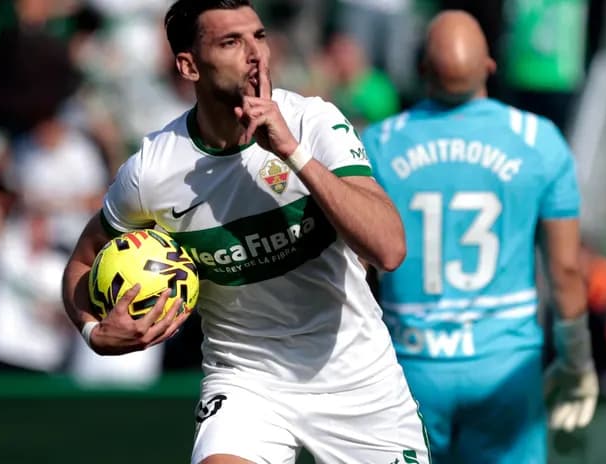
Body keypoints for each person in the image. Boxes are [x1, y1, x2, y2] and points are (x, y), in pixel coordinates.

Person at [60, 1, 430, 463]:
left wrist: (293, 153)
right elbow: (82, 261)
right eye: (231, 42)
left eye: (259, 36)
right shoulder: (152, 170)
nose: (255, 54)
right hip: (246, 381)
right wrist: (93, 332)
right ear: (189, 66)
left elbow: (389, 249)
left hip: (357, 380)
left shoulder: (313, 123)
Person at [362, 10, 598, 463]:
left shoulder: (378, 143)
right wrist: (576, 360)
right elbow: (566, 271)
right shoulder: (538, 140)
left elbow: (358, 267)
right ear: (490, 66)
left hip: (409, 366)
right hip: (505, 367)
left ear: (423, 69)